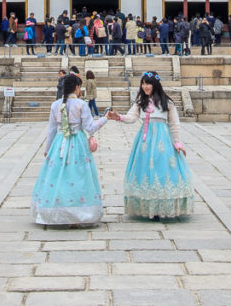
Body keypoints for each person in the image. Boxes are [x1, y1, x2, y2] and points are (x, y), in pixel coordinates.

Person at [31, 74, 120, 225]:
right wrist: (106, 118)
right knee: (79, 176)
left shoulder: (55, 105)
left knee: (58, 177)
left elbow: (51, 130)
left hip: (59, 143)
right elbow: (90, 127)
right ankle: (78, 213)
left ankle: (56, 210)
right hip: (77, 143)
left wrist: (48, 149)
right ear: (77, 87)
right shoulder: (81, 105)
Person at [117, 71, 193, 219]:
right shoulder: (141, 102)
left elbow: (174, 124)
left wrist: (177, 143)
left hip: (163, 139)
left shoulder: (167, 103)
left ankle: (163, 203)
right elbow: (132, 117)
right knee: (146, 170)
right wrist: (118, 117)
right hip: (145, 140)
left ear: (155, 84)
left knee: (161, 168)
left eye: (148, 83)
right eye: (143, 83)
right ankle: (149, 205)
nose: (145, 86)